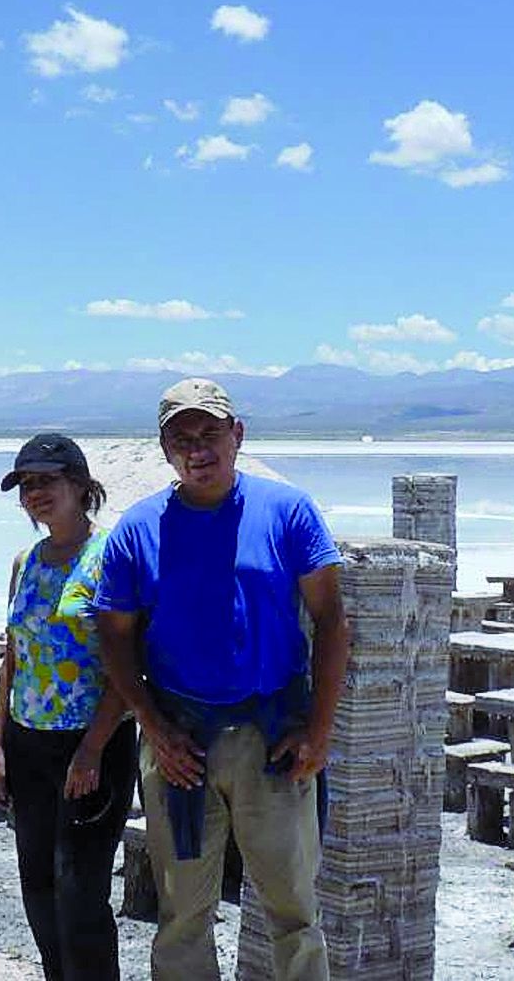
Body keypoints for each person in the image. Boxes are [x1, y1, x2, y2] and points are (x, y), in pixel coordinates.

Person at [94, 378, 350, 981]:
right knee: (182, 914)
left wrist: (318, 732)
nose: (198, 449)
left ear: (237, 435)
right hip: (179, 744)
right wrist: (156, 729)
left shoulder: (287, 511)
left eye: (209, 433)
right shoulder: (138, 529)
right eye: (182, 439)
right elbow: (114, 637)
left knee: (293, 911)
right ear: (165, 449)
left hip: (272, 740)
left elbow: (332, 621)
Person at [0, 433, 138, 981]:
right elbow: (13, 656)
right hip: (29, 745)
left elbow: (129, 665)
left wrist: (91, 749)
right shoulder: (24, 561)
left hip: (93, 746)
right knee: (39, 888)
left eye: (47, 481)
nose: (35, 494)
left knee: (81, 894)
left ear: (80, 485)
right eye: (26, 485)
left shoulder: (111, 557)